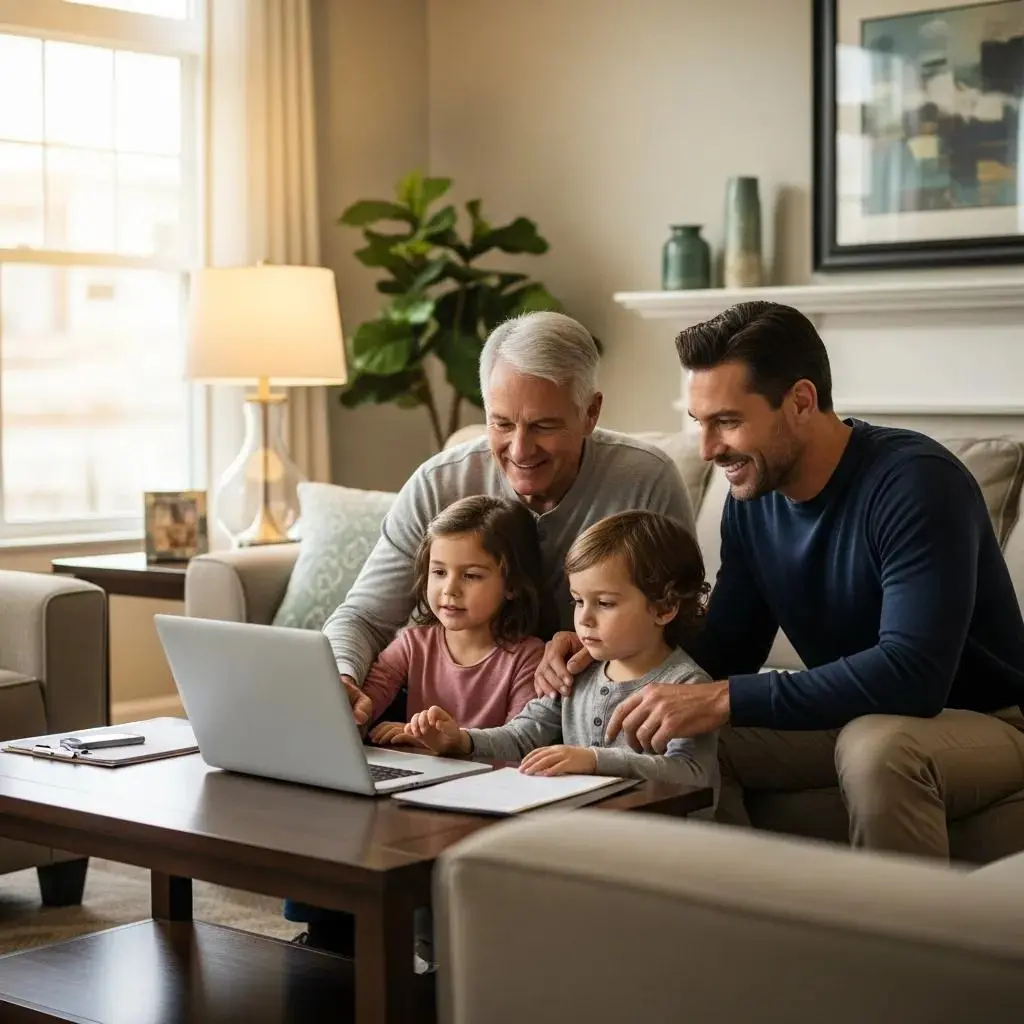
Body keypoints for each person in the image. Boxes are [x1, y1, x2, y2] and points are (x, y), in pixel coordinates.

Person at [534, 300, 1024, 860]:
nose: (708, 449)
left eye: (728, 422)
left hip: (987, 721)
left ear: (800, 402)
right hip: (856, 714)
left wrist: (726, 697)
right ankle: (734, 916)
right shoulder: (755, 497)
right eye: (700, 423)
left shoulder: (915, 484)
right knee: (681, 740)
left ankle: (899, 948)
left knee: (877, 748)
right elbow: (728, 646)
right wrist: (602, 649)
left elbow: (913, 675)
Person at [326, 310, 695, 728]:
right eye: (501, 424)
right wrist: (342, 677)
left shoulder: (646, 481)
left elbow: (682, 622)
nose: (520, 450)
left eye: (543, 426)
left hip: (580, 718)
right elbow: (363, 617)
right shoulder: (438, 483)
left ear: (590, 413)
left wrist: (593, 646)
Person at [407, 510, 719, 798]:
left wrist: (594, 760)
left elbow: (692, 773)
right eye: (578, 601)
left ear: (664, 608)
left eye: (605, 603)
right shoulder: (576, 670)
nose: (584, 618)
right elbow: (524, 735)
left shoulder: (688, 688)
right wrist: (463, 741)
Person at [365, 494, 546, 742]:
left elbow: (519, 742)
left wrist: (448, 742)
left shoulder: (528, 658)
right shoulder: (412, 645)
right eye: (439, 572)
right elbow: (365, 703)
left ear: (512, 585)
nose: (450, 588)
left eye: (470, 575)